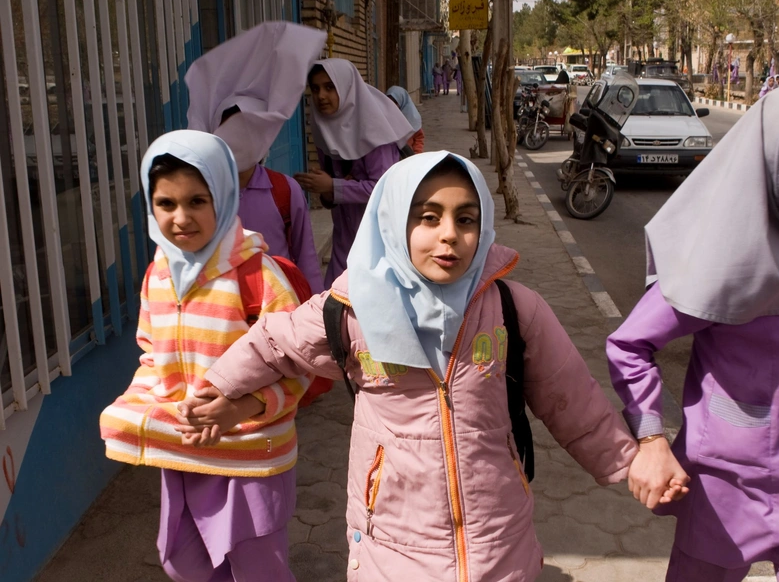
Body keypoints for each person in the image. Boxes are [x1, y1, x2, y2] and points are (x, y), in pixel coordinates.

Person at [203, 151, 641, 581]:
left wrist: (628, 462)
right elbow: (273, 341)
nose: (449, 234)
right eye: (428, 217)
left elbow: (571, 396)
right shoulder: (352, 311)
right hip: (391, 542)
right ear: (394, 223)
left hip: (498, 540)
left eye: (466, 219)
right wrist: (220, 388)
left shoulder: (513, 309)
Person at [607, 83, 779, 582]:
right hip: (727, 489)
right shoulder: (717, 263)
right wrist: (651, 440)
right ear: (777, 173)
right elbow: (629, 345)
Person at [99, 130, 308, 582]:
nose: (181, 218)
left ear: (225, 197)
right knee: (183, 562)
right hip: (185, 455)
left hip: (252, 458)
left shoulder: (259, 276)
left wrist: (241, 407)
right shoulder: (158, 273)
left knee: (258, 570)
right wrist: (134, 412)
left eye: (197, 201)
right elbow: (151, 357)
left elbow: (300, 365)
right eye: (166, 203)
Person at [185, 21, 326, 294]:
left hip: (277, 310)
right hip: (221, 312)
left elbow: (306, 257)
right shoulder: (202, 194)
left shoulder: (285, 190)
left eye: (249, 130)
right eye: (232, 129)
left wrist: (315, 310)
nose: (240, 141)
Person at [294, 59, 413, 287]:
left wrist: (332, 187)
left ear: (346, 87)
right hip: (345, 236)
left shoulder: (374, 129)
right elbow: (333, 191)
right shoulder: (323, 127)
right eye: (315, 88)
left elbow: (383, 187)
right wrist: (324, 189)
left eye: (330, 87)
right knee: (337, 301)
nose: (321, 96)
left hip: (381, 237)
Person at [386, 85, 425, 154]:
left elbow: (418, 138)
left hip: (408, 156)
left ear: (402, 101)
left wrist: (417, 154)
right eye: (389, 102)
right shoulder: (385, 117)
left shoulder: (412, 118)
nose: (392, 105)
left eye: (395, 102)